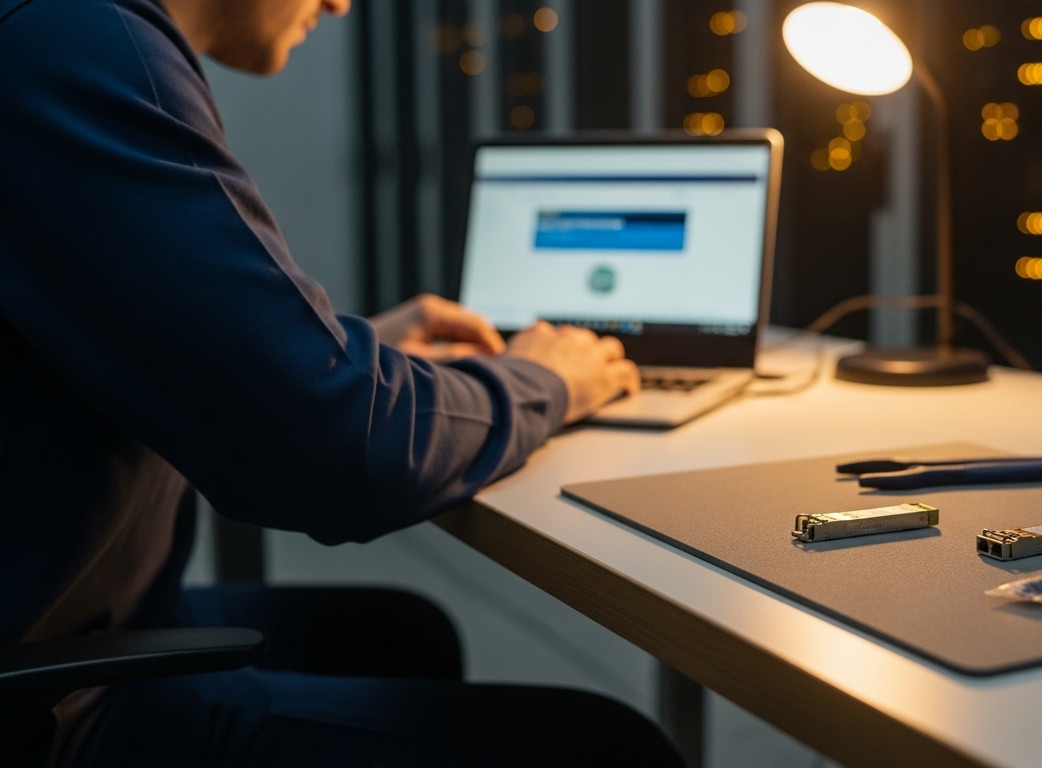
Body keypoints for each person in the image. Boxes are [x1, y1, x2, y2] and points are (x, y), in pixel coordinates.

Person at [0, 0, 679, 764]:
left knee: (393, 633)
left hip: (65, 614)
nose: (340, 3)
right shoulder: (69, 40)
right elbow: (340, 452)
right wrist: (543, 379)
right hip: (48, 705)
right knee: (605, 749)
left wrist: (346, 354)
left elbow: (115, 338)